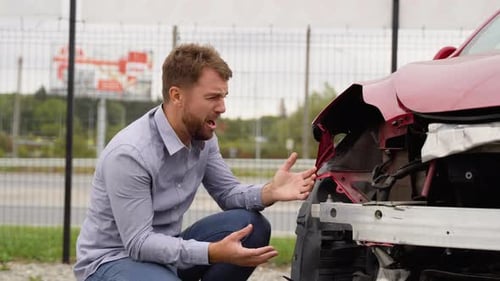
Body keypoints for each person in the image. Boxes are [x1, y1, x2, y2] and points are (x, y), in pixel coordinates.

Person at [74, 43, 317, 281]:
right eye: (213, 97)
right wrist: (211, 253)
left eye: (224, 96)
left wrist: (270, 192)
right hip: (113, 260)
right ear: (177, 95)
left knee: (252, 226)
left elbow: (228, 193)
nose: (222, 108)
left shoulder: (203, 138)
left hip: (165, 253)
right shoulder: (131, 153)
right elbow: (139, 243)